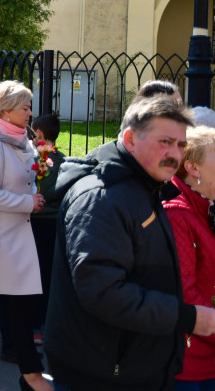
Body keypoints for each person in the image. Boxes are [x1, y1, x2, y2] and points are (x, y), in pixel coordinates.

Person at [45, 97, 215, 391]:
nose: (175, 154)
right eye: (165, 142)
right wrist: (188, 317)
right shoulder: (102, 197)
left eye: (180, 144)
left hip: (131, 368)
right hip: (99, 375)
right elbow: (103, 291)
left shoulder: (146, 187)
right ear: (130, 139)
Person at [0, 80, 49, 391]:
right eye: (25, 107)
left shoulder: (24, 142)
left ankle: (30, 373)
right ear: (5, 111)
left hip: (18, 240)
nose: (30, 113)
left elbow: (25, 181)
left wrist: (34, 191)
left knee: (17, 308)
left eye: (29, 107)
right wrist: (28, 202)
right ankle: (28, 374)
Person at [164, 126, 215, 391]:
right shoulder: (177, 214)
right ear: (193, 168)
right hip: (189, 364)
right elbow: (186, 294)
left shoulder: (205, 206)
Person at [29, 113, 65, 330]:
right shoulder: (62, 159)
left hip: (36, 221)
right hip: (54, 221)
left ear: (39, 133)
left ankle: (36, 321)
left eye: (33, 133)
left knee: (37, 273)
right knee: (49, 271)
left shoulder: (37, 160)